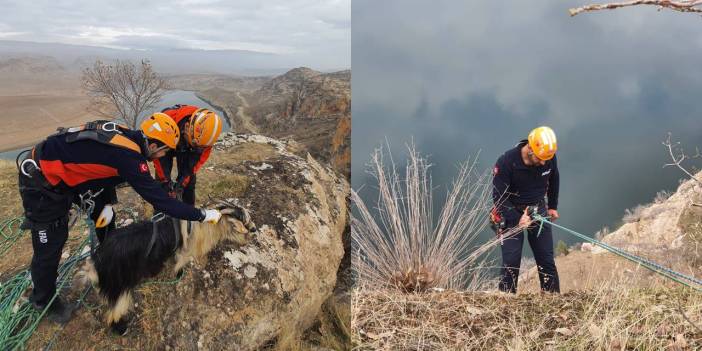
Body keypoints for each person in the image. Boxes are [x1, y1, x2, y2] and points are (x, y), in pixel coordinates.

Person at [17, 113, 222, 324]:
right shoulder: (130, 159)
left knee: (105, 215)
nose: (162, 157)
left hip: (67, 177)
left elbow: (100, 167)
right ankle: (43, 300)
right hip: (41, 182)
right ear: (153, 146)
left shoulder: (128, 136)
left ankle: (108, 261)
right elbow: (163, 202)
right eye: (164, 151)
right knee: (51, 245)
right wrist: (202, 214)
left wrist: (103, 204)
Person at [491, 126, 560, 294]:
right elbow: (499, 198)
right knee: (511, 262)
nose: (544, 162)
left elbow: (554, 178)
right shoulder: (507, 161)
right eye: (540, 158)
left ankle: (552, 299)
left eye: (547, 158)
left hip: (537, 209)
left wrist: (552, 206)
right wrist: (517, 217)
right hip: (511, 212)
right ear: (530, 148)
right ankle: (505, 301)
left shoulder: (548, 157)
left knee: (547, 261)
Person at [153, 105, 223, 204]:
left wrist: (181, 184)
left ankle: (189, 210)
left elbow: (193, 165)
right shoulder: (164, 123)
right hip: (167, 138)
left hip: (185, 145)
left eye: (200, 146)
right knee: (161, 181)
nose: (197, 147)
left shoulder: (206, 139)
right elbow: (159, 160)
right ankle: (161, 210)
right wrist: (165, 182)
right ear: (186, 127)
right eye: (194, 144)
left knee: (189, 182)